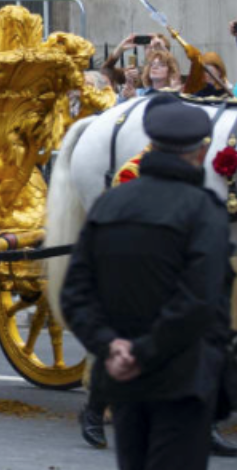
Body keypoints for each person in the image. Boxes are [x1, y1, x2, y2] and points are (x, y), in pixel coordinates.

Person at [61, 96, 230, 470]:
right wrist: (146, 350)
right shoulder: (205, 210)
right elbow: (199, 300)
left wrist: (113, 349)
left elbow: (75, 293)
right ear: (202, 152)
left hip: (125, 379)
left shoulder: (109, 206)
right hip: (183, 379)